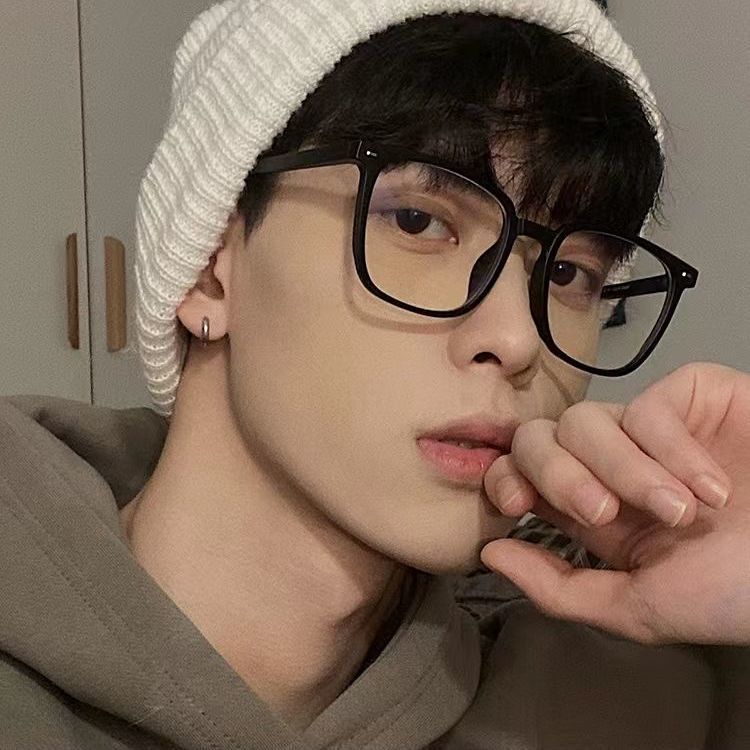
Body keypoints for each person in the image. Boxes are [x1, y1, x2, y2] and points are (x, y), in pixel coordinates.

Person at [0, 0, 748, 748]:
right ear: (207, 270)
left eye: (569, 273)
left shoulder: (630, 692)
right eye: (418, 221)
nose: (518, 339)